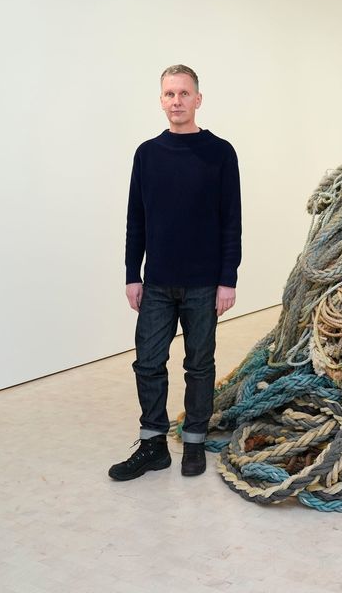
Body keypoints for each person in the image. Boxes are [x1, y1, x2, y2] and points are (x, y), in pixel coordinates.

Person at [108, 64, 242, 481]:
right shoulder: (147, 154)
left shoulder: (220, 152)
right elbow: (137, 219)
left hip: (204, 283)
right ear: (161, 100)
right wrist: (133, 274)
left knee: (200, 364)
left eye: (184, 94)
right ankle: (153, 445)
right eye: (169, 94)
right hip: (158, 282)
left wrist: (228, 279)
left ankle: (196, 440)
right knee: (148, 362)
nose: (177, 101)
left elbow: (231, 220)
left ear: (198, 99)